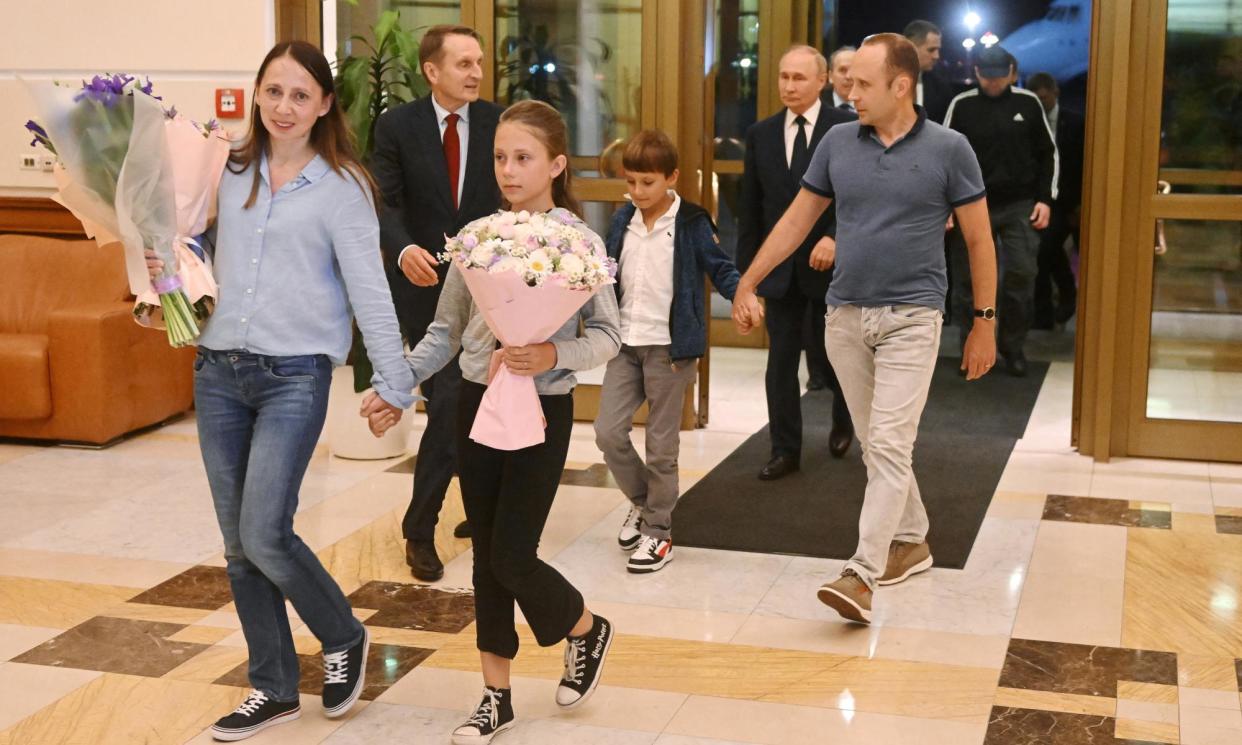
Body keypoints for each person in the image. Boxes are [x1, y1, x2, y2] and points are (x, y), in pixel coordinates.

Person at [145, 42, 417, 740]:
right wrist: (157, 276)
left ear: (326, 103)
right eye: (273, 92)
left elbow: (369, 292)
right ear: (257, 95)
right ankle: (271, 685)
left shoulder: (343, 186)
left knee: (265, 529)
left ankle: (342, 633)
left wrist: (396, 382)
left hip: (294, 375)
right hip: (218, 373)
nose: (284, 107)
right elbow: (194, 253)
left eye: (300, 94)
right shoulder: (228, 168)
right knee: (238, 543)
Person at [363, 100, 620, 745]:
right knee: (485, 560)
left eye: (523, 158)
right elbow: (445, 330)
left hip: (544, 408)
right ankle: (495, 696)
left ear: (557, 165)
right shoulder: (475, 238)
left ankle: (585, 627)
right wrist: (395, 384)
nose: (508, 169)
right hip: (477, 405)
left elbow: (611, 336)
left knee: (511, 552)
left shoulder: (579, 245)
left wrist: (552, 353)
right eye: (500, 156)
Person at [732, 33, 998, 624]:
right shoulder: (836, 144)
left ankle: (861, 572)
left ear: (901, 86)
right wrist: (746, 282)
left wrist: (984, 322)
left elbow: (979, 240)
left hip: (914, 317)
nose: (849, 92)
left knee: (886, 443)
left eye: (863, 84)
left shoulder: (951, 148)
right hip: (845, 316)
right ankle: (914, 538)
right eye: (848, 82)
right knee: (881, 452)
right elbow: (797, 222)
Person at [371, 25, 504, 582]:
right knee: (449, 399)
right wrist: (402, 250)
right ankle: (419, 529)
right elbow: (381, 199)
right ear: (432, 70)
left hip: (493, 286)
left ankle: (478, 508)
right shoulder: (396, 126)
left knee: (485, 396)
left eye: (478, 63)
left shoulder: (500, 122)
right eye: (463, 63)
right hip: (424, 286)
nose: (475, 72)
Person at [594, 129, 740, 574]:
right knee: (607, 432)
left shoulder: (692, 223)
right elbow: (604, 272)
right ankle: (646, 505)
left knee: (661, 446)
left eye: (648, 183)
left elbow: (722, 268)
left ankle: (658, 533)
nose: (638, 192)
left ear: (671, 178)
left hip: (671, 350)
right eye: (631, 182)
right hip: (626, 343)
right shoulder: (623, 220)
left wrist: (744, 297)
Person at [737, 45, 857, 482]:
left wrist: (835, 237)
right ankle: (784, 448)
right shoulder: (761, 133)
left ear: (822, 80)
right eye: (784, 77)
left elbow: (859, 198)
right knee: (781, 363)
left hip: (834, 267)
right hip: (781, 270)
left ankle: (846, 421)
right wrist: (744, 279)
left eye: (799, 78)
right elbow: (750, 210)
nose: (789, 86)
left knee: (839, 356)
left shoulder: (846, 128)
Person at [944, 45, 1058, 377]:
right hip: (970, 202)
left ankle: (1012, 345)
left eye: (999, 77)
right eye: (986, 76)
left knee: (1022, 273)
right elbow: (944, 157)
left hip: (1020, 202)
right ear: (977, 72)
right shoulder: (961, 105)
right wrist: (946, 205)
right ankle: (972, 346)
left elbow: (1048, 154)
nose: (993, 83)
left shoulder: (1027, 102)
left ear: (1011, 72)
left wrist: (1045, 199)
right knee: (967, 280)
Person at [1027, 72, 1083, 328]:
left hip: (1065, 200)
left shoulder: (1075, 122)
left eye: (1044, 98)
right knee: (1042, 251)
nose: (1040, 103)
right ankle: (1045, 310)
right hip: (1036, 198)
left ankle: (1065, 296)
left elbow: (1081, 165)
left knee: (1047, 248)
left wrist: (1078, 205)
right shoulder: (1028, 122)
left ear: (1055, 93)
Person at [903, 20, 954, 124]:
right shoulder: (882, 82)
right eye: (931, 50)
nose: (937, 56)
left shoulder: (941, 89)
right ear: (910, 47)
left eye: (938, 50)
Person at [826, 46, 856, 111]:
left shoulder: (873, 104)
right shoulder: (817, 103)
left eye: (854, 70)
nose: (848, 76)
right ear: (830, 76)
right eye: (842, 70)